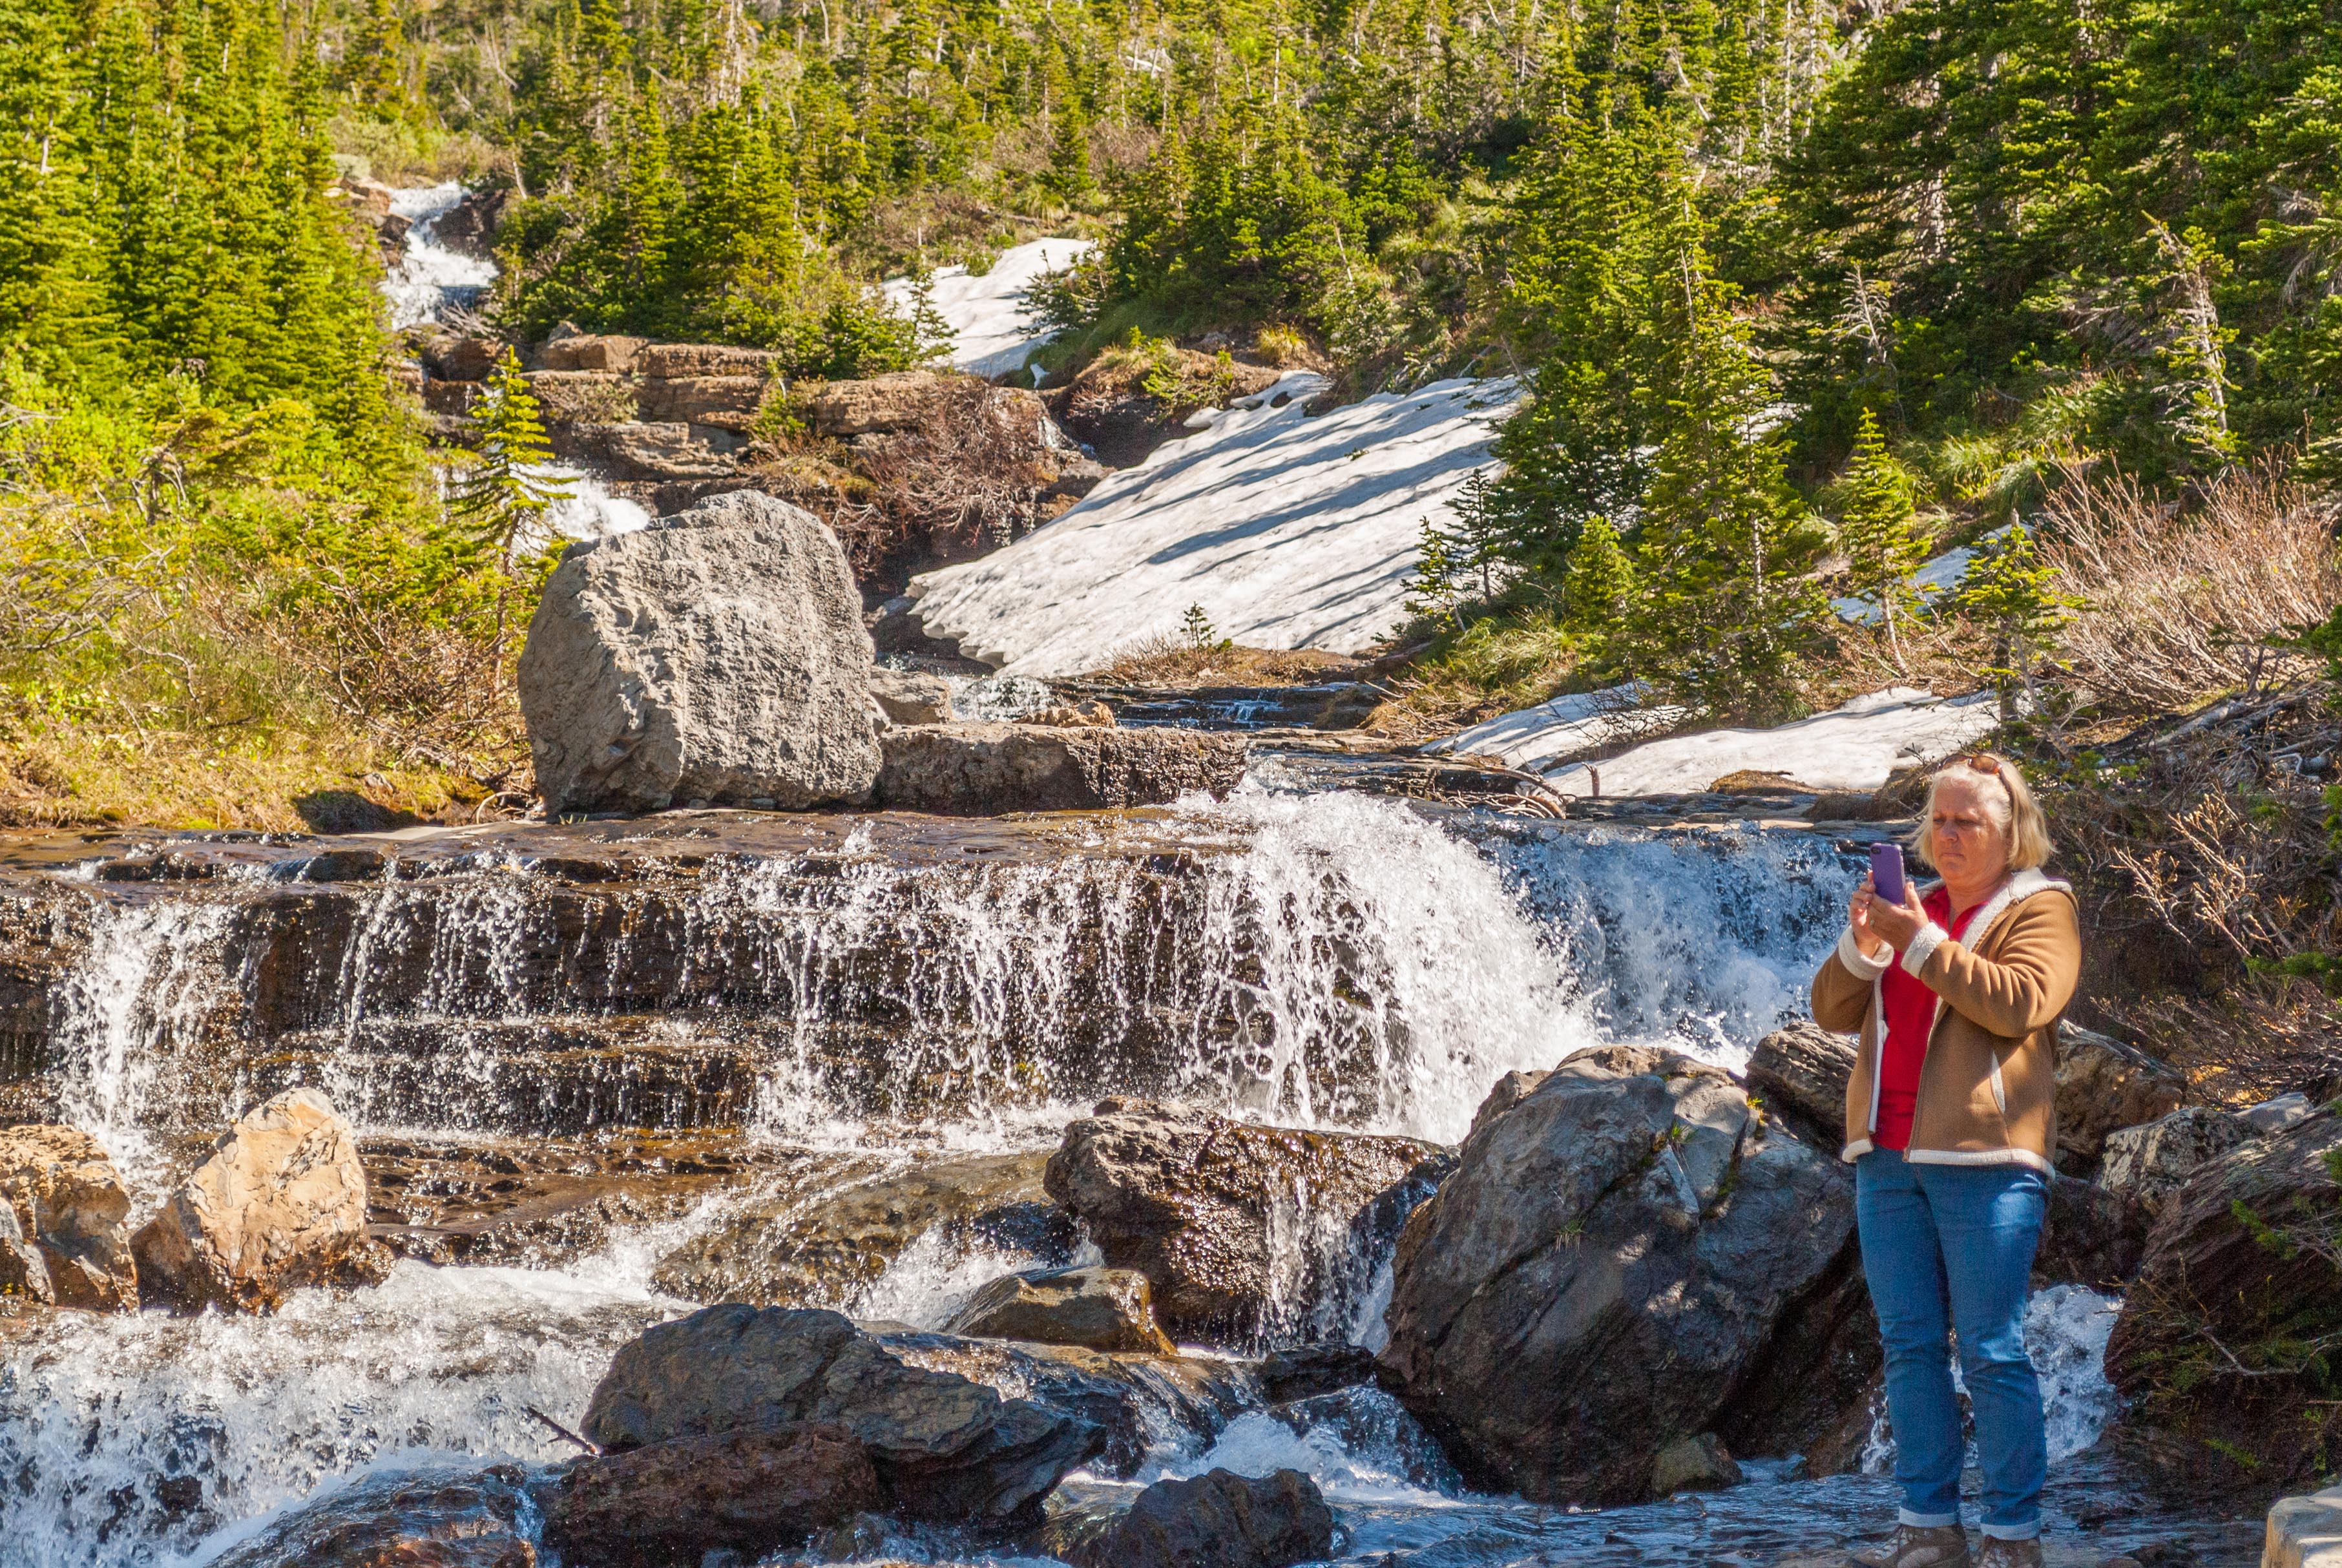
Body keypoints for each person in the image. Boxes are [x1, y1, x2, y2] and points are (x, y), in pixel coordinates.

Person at [1811, 752, 2080, 1568]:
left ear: (2012, 832)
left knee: (1992, 1348)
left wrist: (1918, 941)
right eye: (1939, 820)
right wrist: (1866, 947)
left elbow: (2020, 1003)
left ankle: (2011, 1535)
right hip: (1885, 1155)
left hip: (1987, 1155)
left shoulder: (2042, 909)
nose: (1950, 834)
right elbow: (1827, 1010)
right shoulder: (1909, 907)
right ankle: (1927, 1528)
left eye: (1969, 820)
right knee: (1910, 1344)